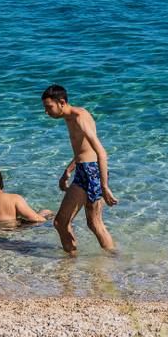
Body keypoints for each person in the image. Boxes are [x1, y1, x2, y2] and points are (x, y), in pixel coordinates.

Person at [41, 85, 118, 254]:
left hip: (92, 173)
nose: (46, 112)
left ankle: (114, 261)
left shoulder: (80, 117)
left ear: (61, 102)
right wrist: (68, 171)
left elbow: (101, 153)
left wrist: (104, 186)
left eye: (49, 107)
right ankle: (71, 262)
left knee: (94, 223)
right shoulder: (69, 118)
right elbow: (83, 151)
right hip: (83, 171)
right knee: (61, 222)